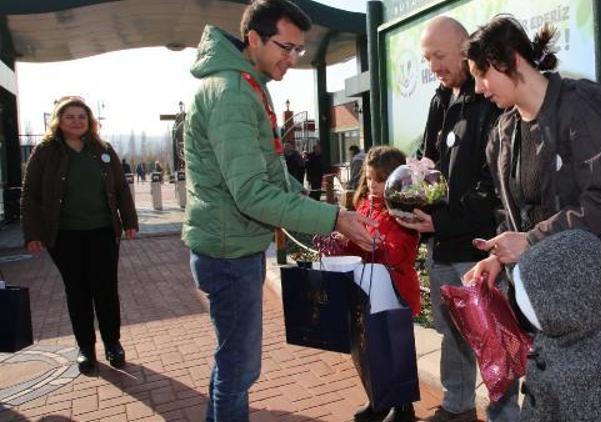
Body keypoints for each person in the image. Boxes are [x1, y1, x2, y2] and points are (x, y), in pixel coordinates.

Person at [182, 1, 375, 420]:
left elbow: (271, 171)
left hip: (233, 244)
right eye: (285, 47)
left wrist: (319, 213)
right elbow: (251, 193)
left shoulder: (247, 83)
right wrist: (335, 218)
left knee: (231, 362)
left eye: (298, 50)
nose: (292, 58)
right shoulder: (232, 93)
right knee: (240, 368)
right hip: (229, 251)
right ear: (253, 38)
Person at [462, 16, 601, 336]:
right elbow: (511, 212)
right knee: (550, 380)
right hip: (551, 286)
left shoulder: (581, 106)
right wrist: (499, 258)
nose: (477, 88)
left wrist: (530, 241)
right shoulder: (503, 131)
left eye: (481, 74)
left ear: (511, 61)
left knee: (574, 381)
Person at [396, 16, 511, 422]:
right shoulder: (439, 100)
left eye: (439, 56)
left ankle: (504, 415)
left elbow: (493, 185)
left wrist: (442, 222)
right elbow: (429, 164)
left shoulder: (490, 98)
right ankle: (458, 406)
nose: (433, 67)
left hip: (479, 249)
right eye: (427, 59)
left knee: (491, 339)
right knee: (452, 333)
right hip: (440, 244)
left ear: (465, 48)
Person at [20, 96, 138, 374]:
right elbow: (30, 196)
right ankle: (86, 348)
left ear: (90, 121)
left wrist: (129, 220)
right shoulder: (46, 152)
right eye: (69, 116)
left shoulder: (102, 149)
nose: (76, 121)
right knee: (77, 292)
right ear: (59, 120)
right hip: (64, 236)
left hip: (103, 232)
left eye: (81, 117)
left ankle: (113, 343)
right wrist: (32, 232)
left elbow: (121, 188)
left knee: (106, 290)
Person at [331, 146, 421, 422]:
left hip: (396, 289)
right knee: (371, 351)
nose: (373, 185)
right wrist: (344, 242)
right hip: (368, 287)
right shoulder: (364, 204)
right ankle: (379, 400)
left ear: (396, 179)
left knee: (397, 350)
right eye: (369, 178)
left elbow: (398, 253)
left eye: (380, 179)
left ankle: (403, 407)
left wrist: (368, 242)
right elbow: (360, 251)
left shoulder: (404, 210)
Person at [512, 229, 601, 421]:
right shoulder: (559, 334)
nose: (522, 304)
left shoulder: (589, 373)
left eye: (530, 298)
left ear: (565, 302)